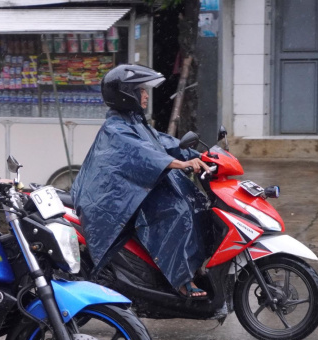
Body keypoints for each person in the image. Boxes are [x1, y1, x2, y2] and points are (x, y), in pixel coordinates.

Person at [71, 64, 212, 299]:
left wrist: (202, 156)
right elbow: (143, 154)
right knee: (177, 212)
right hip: (112, 202)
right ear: (127, 94)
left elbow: (163, 142)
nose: (146, 95)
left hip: (132, 194)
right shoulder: (116, 129)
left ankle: (192, 266)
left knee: (193, 201)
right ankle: (180, 279)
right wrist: (180, 164)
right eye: (141, 90)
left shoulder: (134, 121)